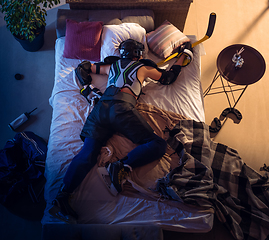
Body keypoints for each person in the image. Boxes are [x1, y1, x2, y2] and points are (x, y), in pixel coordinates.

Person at [49, 38, 193, 224]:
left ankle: (62, 197)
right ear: (139, 54)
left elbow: (83, 67)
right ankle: (120, 166)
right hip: (122, 109)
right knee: (157, 144)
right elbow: (168, 78)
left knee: (88, 153)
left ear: (122, 53)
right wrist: (183, 57)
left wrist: (88, 87)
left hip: (101, 109)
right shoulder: (142, 68)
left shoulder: (111, 65)